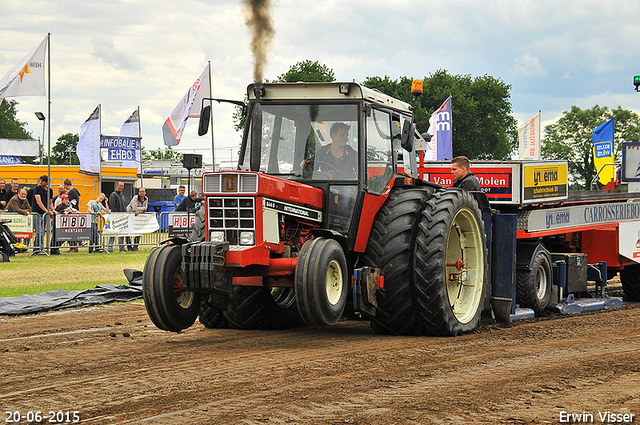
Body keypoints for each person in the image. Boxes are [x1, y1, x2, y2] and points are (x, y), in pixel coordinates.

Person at [31, 175, 54, 255]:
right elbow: (38, 201)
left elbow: (50, 202)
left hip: (44, 214)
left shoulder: (50, 190)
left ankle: (40, 248)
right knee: (39, 232)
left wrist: (53, 210)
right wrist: (46, 210)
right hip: (37, 213)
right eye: (40, 181)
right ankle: (35, 249)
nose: (40, 182)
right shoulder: (37, 189)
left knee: (42, 232)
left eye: (42, 181)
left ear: (47, 182)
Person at [126, 187, 148, 251]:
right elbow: (134, 208)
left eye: (143, 191)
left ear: (145, 192)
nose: (142, 193)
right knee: (128, 231)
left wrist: (140, 210)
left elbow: (146, 208)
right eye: (141, 191)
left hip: (138, 216)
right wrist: (142, 208)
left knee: (139, 231)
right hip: (130, 215)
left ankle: (136, 246)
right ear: (138, 192)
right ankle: (129, 247)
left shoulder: (146, 199)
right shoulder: (135, 198)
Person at [108, 181, 127, 253]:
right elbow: (112, 205)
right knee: (113, 233)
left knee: (122, 233)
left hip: (122, 217)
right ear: (117, 186)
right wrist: (116, 215)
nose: (121, 187)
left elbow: (124, 206)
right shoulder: (113, 195)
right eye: (120, 186)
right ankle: (110, 248)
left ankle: (122, 247)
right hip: (115, 217)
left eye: (122, 186)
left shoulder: (122, 195)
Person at [64, 179, 81, 253]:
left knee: (72, 230)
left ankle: (74, 246)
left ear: (65, 185)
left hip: (73, 212)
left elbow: (72, 203)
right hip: (74, 212)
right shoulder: (75, 191)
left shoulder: (72, 192)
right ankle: (72, 246)